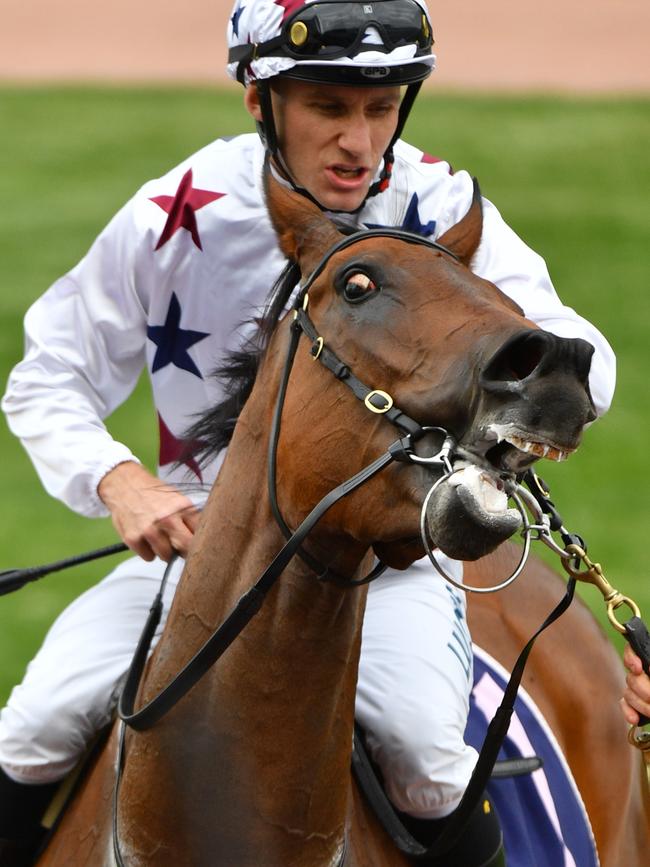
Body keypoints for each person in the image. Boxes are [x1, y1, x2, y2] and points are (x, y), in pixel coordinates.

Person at [0, 0, 617, 863]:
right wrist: (119, 480)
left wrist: (522, 385)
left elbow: (586, 362)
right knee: (32, 726)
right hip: (198, 556)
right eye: (328, 107)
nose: (359, 143)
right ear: (261, 101)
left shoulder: (440, 207)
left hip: (384, 571)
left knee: (430, 759)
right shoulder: (176, 213)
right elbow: (47, 377)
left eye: (381, 107)